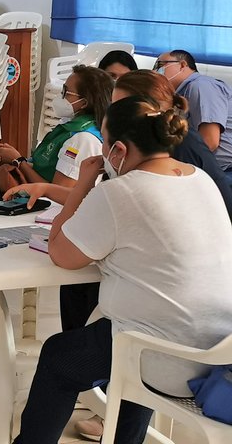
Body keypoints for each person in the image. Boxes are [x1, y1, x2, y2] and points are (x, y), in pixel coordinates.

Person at [12, 96, 232, 444]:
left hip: (168, 359)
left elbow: (61, 253)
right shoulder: (199, 178)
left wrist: (83, 182)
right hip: (221, 350)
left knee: (61, 357)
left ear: (117, 149)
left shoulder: (119, 192)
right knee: (124, 337)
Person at [0, 65, 114, 188]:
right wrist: (11, 158)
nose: (60, 97)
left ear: (83, 103)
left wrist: (19, 161)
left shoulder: (83, 139)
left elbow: (58, 193)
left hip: (42, 204)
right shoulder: (70, 126)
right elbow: (44, 170)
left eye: (66, 92)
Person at [157, 49, 232, 183]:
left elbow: (210, 141)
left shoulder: (201, 86)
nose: (156, 71)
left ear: (182, 65)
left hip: (224, 172)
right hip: (209, 169)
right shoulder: (181, 95)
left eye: (161, 65)